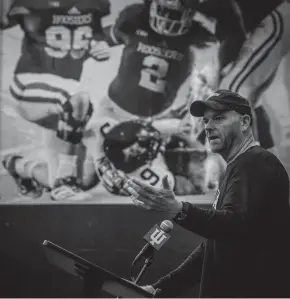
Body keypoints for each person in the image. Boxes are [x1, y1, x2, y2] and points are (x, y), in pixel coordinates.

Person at [124, 89, 290, 298]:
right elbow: (212, 250)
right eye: (205, 121)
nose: (209, 127)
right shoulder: (239, 166)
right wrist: (158, 289)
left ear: (245, 122)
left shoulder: (255, 162)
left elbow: (233, 224)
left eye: (218, 118)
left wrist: (178, 209)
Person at [1, 0, 111, 200]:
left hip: (60, 99)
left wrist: (100, 44)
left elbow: (95, 33)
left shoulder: (94, 5)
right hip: (29, 85)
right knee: (79, 98)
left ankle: (19, 166)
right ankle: (64, 183)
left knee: (85, 181)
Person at [190, 0, 290, 150]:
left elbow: (234, 31)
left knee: (232, 92)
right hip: (269, 20)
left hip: (275, 16)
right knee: (242, 94)